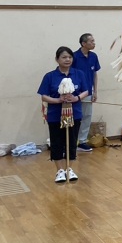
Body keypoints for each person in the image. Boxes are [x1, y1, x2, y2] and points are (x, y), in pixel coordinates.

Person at [38, 46, 89, 183]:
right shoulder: (50, 76)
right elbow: (43, 96)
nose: (67, 60)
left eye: (70, 57)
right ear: (57, 59)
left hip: (74, 114)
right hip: (55, 115)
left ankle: (69, 169)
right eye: (64, 57)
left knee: (72, 142)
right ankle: (60, 170)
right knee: (57, 142)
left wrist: (76, 98)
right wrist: (57, 100)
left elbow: (86, 91)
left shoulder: (79, 74)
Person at [73, 33, 101, 152]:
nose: (94, 43)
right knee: (75, 117)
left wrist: (95, 91)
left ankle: (82, 141)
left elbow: (95, 74)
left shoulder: (93, 56)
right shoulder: (74, 57)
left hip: (89, 91)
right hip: (75, 93)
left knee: (87, 116)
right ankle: (71, 142)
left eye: (94, 41)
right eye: (91, 41)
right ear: (83, 43)